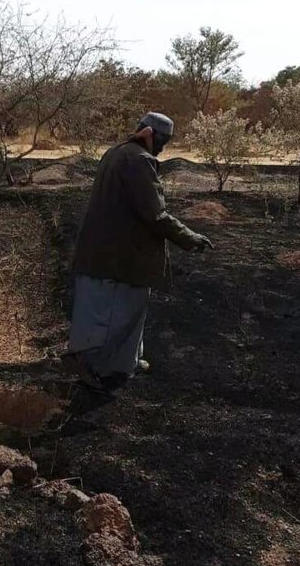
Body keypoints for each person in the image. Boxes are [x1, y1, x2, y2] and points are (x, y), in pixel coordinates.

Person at [64, 112, 213, 390]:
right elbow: (155, 214)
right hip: (120, 257)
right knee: (112, 318)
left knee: (124, 312)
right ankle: (89, 363)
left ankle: (124, 363)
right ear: (150, 135)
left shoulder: (117, 152)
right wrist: (189, 237)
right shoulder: (139, 161)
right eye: (163, 141)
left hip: (105, 251)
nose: (163, 148)